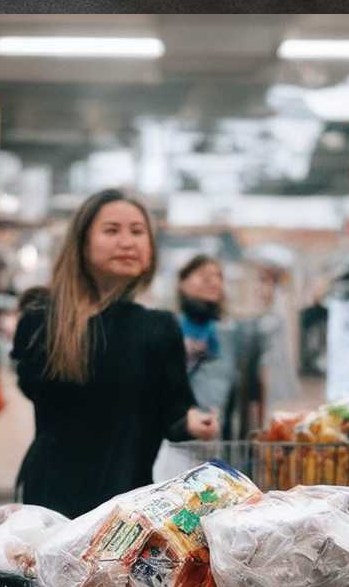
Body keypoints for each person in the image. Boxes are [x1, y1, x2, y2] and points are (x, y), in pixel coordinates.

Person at [12, 191, 218, 517]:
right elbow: (35, 387)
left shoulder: (159, 328)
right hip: (50, 502)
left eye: (138, 232)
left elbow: (175, 410)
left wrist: (194, 421)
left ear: (150, 248)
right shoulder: (42, 321)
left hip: (127, 506)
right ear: (82, 243)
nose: (127, 242)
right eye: (112, 230)